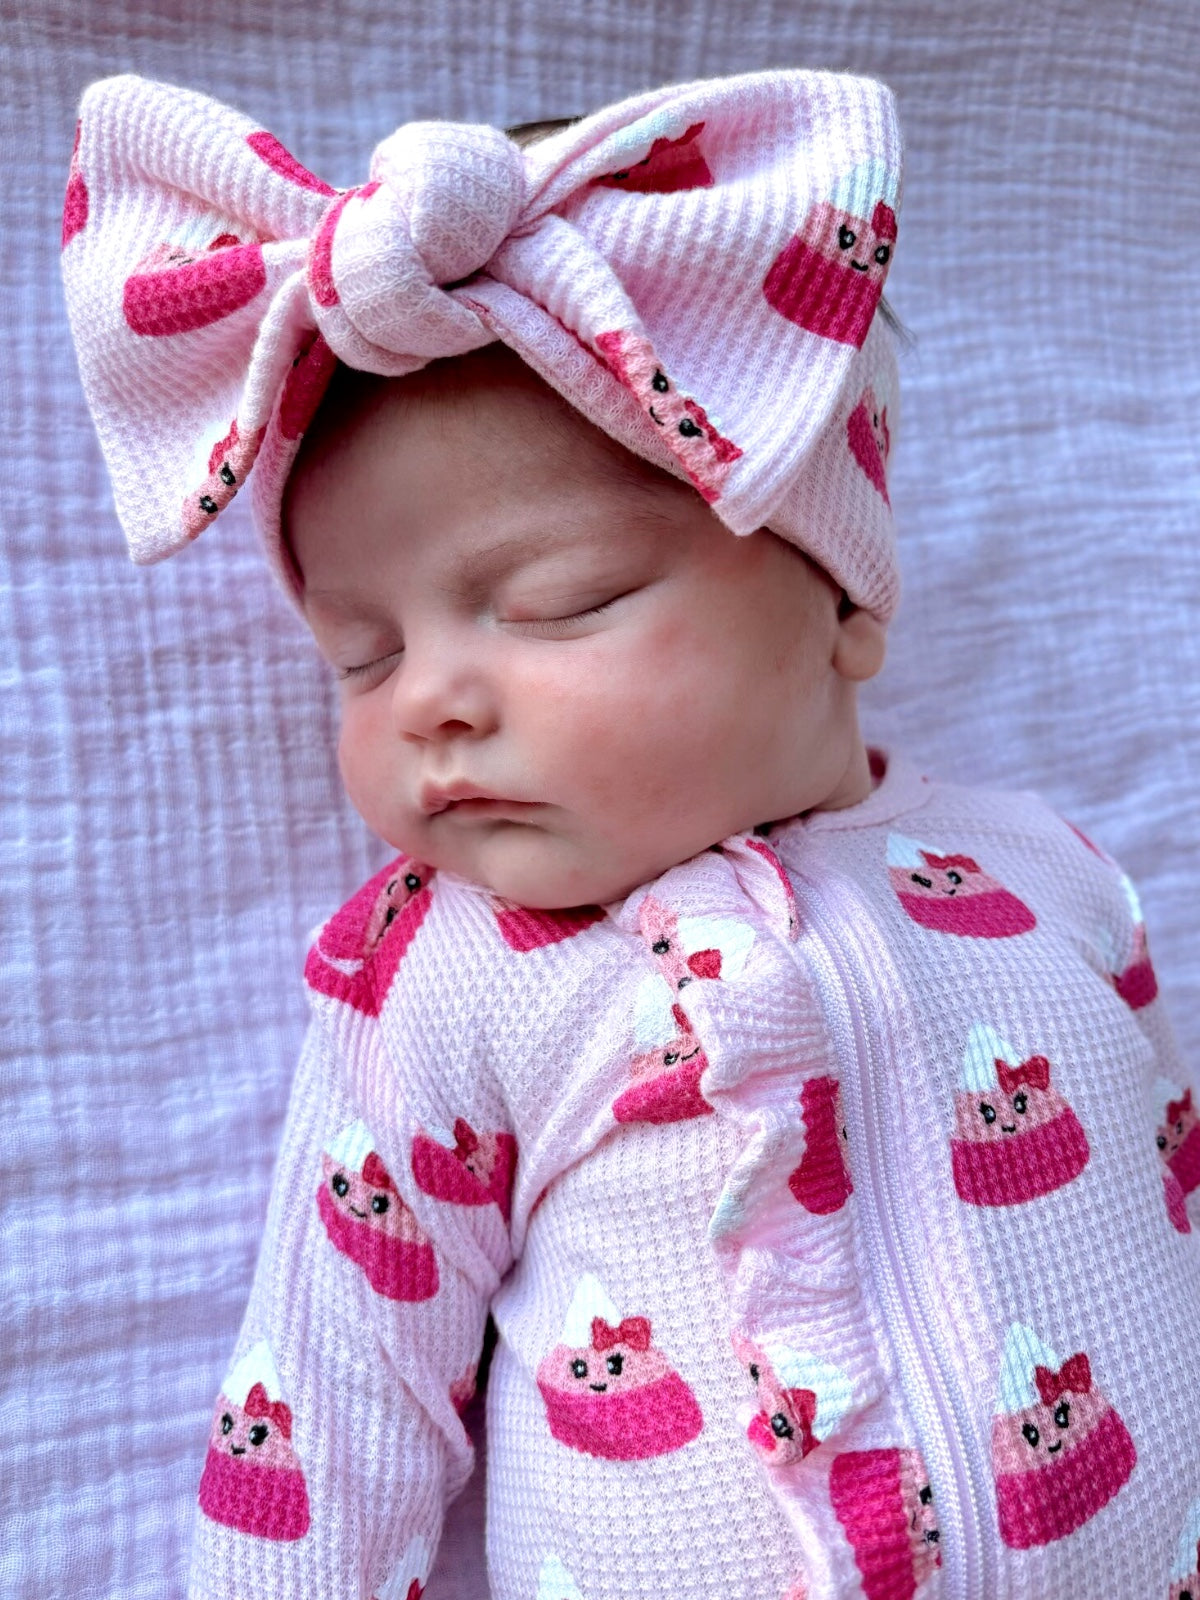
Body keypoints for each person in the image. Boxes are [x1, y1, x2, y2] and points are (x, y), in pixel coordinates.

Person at [61, 67, 1200, 1600]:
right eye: (362, 658)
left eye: (559, 602)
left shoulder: (1048, 870)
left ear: (843, 600)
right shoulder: (440, 978)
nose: (432, 701)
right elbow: (336, 1399)